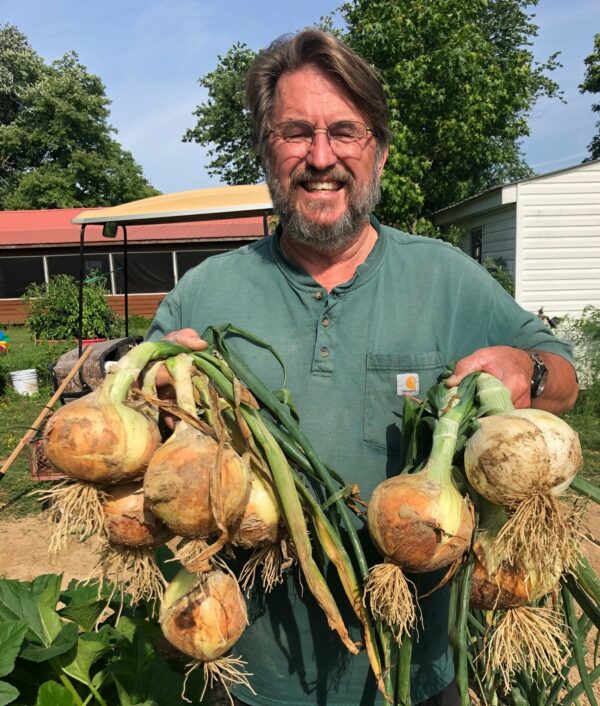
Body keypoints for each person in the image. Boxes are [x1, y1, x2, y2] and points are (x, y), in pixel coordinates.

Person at [147, 29, 578, 706]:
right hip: (246, 671)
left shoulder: (444, 276)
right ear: (266, 150)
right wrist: (130, 376)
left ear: (377, 147)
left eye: (344, 132)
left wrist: (532, 369)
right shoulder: (206, 293)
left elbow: (563, 374)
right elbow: (132, 402)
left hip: (416, 672)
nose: (322, 158)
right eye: (296, 133)